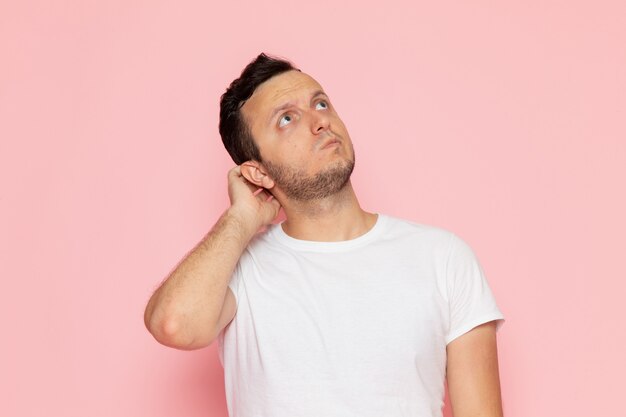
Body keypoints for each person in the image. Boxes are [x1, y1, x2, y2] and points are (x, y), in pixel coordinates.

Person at [144, 53, 506, 417]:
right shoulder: (241, 269)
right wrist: (240, 218)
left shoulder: (443, 258)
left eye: (321, 103)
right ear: (257, 172)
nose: (319, 122)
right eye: (287, 119)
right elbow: (174, 324)